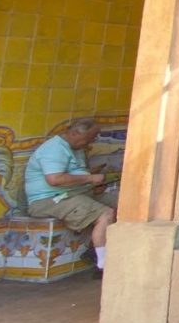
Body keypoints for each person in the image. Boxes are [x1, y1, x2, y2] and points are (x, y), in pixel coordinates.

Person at [23, 118, 115, 275]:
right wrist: (90, 179)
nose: (91, 142)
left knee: (122, 202)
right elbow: (55, 179)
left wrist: (91, 182)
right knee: (105, 213)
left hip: (72, 194)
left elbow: (74, 176)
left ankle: (95, 248)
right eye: (89, 138)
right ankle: (102, 265)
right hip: (49, 200)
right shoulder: (54, 149)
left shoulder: (76, 149)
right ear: (74, 133)